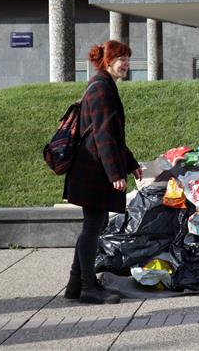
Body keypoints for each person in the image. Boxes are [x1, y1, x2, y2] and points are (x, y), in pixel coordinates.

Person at [63, 40, 142, 304]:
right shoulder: (101, 89)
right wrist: (115, 174)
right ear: (108, 62)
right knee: (92, 228)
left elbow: (114, 136)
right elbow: (104, 136)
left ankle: (76, 285)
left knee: (93, 226)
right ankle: (87, 287)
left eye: (128, 59)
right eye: (122, 59)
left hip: (93, 171)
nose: (127, 65)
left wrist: (130, 164)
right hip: (93, 172)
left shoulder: (104, 86)